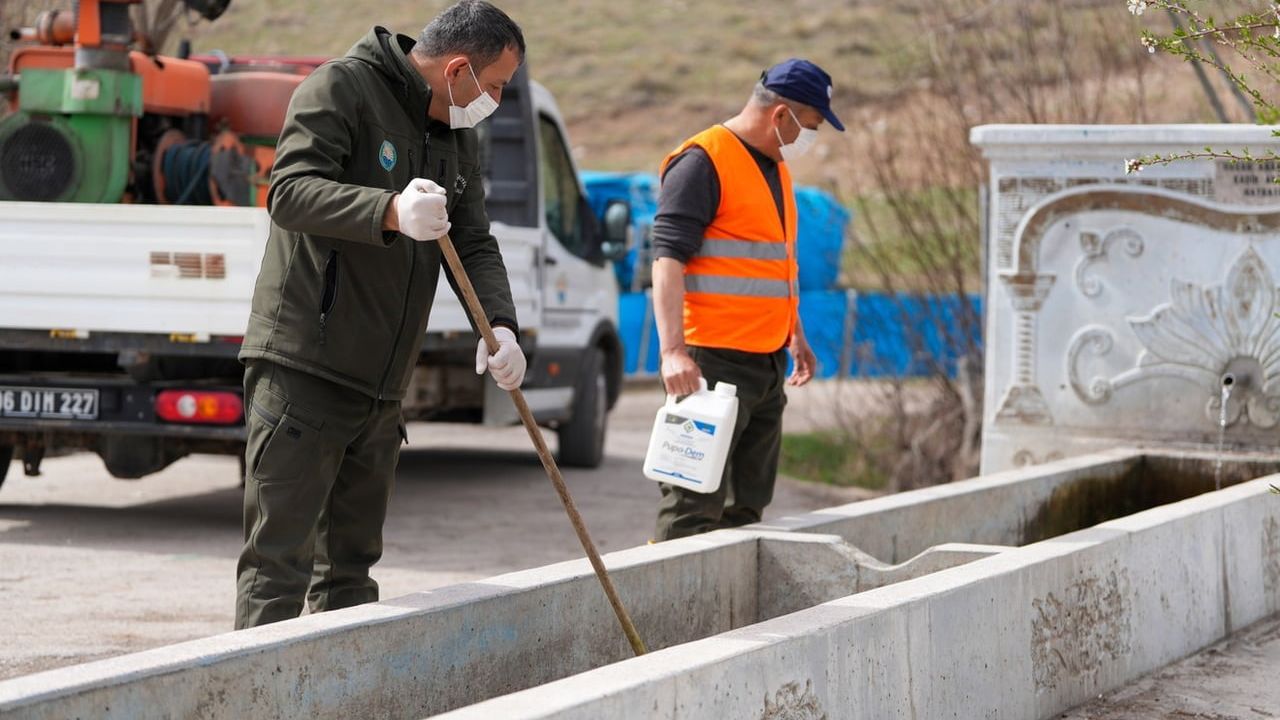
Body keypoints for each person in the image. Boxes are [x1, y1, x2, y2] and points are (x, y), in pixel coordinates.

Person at [235, 0, 527, 629]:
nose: (497, 101)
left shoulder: (457, 134)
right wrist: (389, 210)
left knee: (350, 573)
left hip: (382, 386)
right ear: (458, 71)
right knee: (277, 568)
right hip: (306, 369)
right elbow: (289, 192)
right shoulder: (342, 88)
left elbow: (472, 241)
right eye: (497, 85)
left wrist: (500, 326)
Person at [650, 58, 844, 541]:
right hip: (709, 364)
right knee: (691, 508)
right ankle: (667, 591)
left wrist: (795, 334)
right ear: (781, 115)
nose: (810, 138)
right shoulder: (702, 161)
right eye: (810, 126)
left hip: (767, 362)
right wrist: (672, 351)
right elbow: (667, 259)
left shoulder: (775, 169)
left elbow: (772, 267)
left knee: (746, 507)